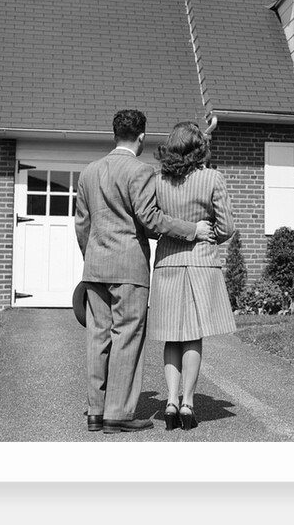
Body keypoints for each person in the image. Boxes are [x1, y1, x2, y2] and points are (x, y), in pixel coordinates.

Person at [74, 110, 215, 434]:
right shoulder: (140, 171)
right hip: (129, 269)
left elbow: (82, 224)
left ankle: (96, 412)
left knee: (97, 338)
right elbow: (151, 220)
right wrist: (192, 229)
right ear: (140, 138)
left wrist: (91, 256)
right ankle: (119, 415)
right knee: (127, 338)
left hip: (94, 267)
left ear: (115, 134)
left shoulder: (89, 172)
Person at [148, 121, 237, 430]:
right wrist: (207, 235)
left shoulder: (157, 180)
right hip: (201, 264)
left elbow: (150, 223)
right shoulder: (213, 178)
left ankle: (170, 402)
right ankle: (188, 403)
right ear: (199, 148)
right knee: (192, 336)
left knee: (172, 335)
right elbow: (226, 228)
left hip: (168, 262)